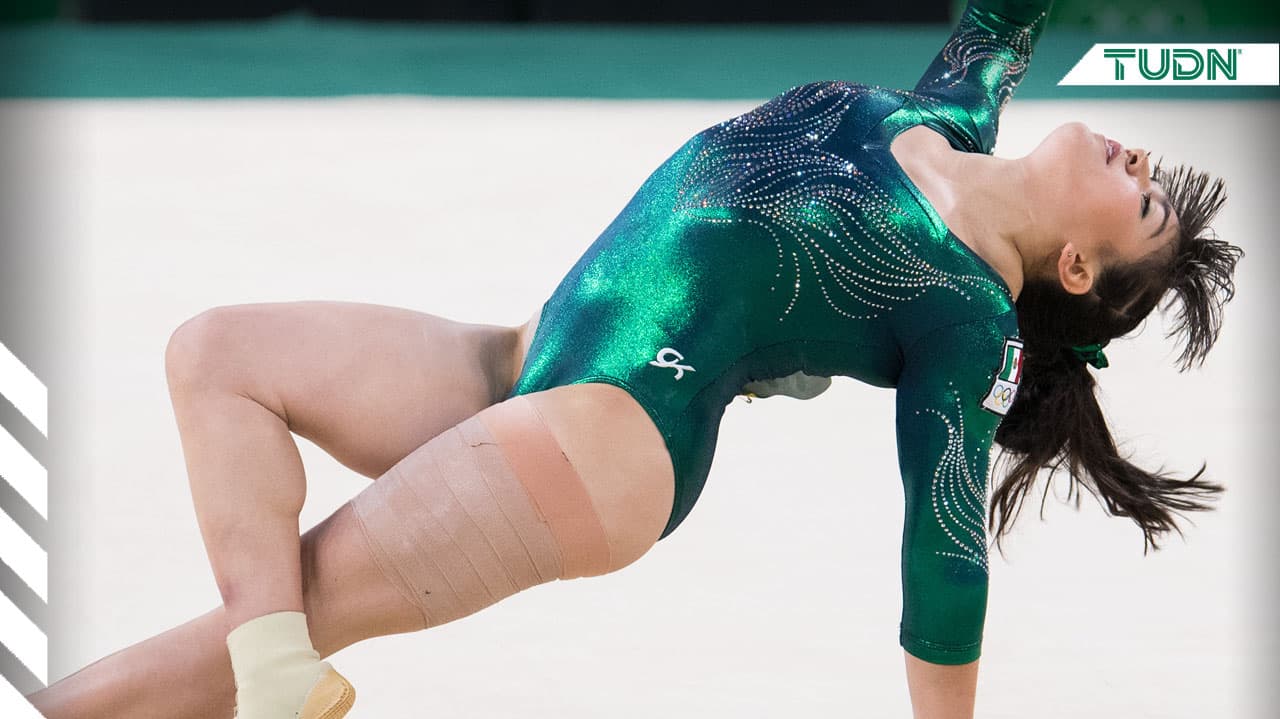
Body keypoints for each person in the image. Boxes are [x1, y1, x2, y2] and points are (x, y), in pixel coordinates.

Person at [28, 0, 1244, 717]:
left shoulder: (965, 315)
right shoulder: (952, 106)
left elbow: (942, 551)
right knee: (219, 354)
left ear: (1074, 271)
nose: (1141, 167)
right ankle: (271, 665)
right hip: (526, 361)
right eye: (1150, 180)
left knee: (288, 606)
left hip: (612, 432)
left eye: (1140, 206)